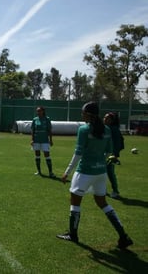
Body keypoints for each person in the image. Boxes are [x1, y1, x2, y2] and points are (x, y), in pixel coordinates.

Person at [57, 101, 133, 249]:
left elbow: (78, 154)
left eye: (83, 112)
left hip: (84, 172)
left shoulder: (84, 129)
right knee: (103, 203)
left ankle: (73, 235)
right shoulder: (106, 129)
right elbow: (109, 152)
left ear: (88, 114)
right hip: (101, 173)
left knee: (75, 202)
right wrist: (100, 163)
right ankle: (123, 236)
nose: (81, 114)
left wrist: (66, 172)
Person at [31, 106, 55, 178]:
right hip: (36, 140)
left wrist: (50, 140)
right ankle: (39, 171)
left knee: (47, 155)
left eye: (39, 111)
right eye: (37, 111)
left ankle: (50, 172)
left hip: (45, 140)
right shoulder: (35, 119)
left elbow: (49, 130)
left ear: (43, 111)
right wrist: (32, 139)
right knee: (37, 155)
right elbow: (32, 130)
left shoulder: (47, 119)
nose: (38, 112)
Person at [104, 112, 123, 199]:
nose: (105, 119)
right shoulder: (107, 128)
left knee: (110, 173)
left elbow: (118, 142)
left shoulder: (114, 129)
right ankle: (102, 189)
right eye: (104, 117)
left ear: (112, 120)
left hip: (111, 155)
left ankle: (115, 191)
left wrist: (115, 154)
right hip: (104, 154)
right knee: (102, 171)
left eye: (107, 118)